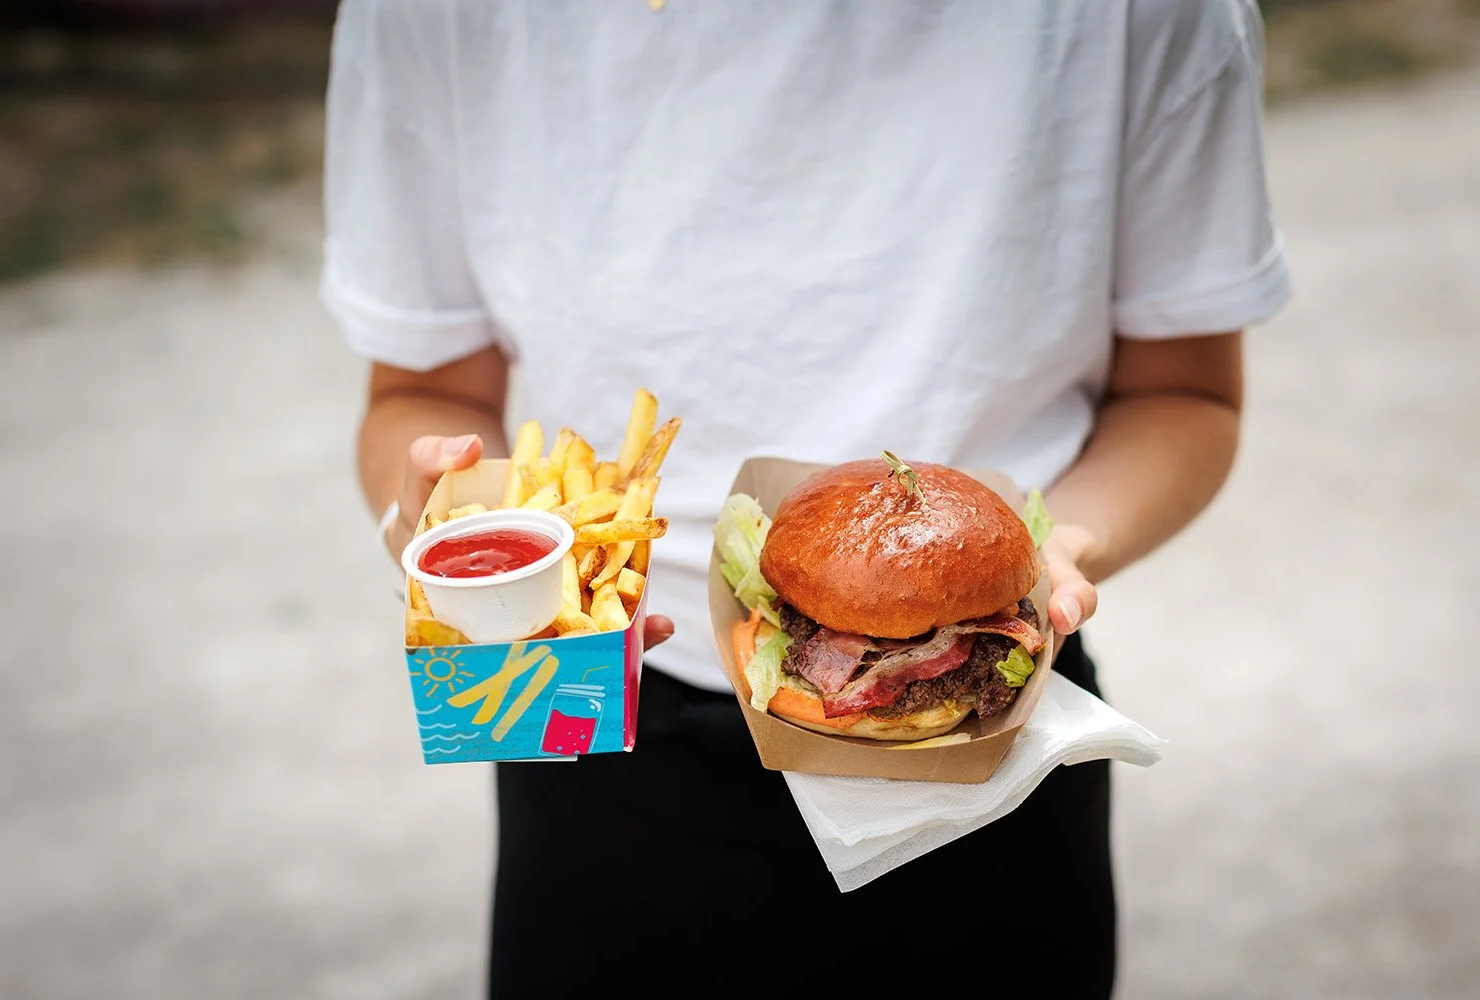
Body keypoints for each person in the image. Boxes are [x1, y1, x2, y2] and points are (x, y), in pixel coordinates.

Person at [320, 1, 1291, 996]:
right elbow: (420, 392)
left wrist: (1063, 547)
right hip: (587, 713)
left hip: (995, 750)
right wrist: (435, 514)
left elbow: (1186, 391)